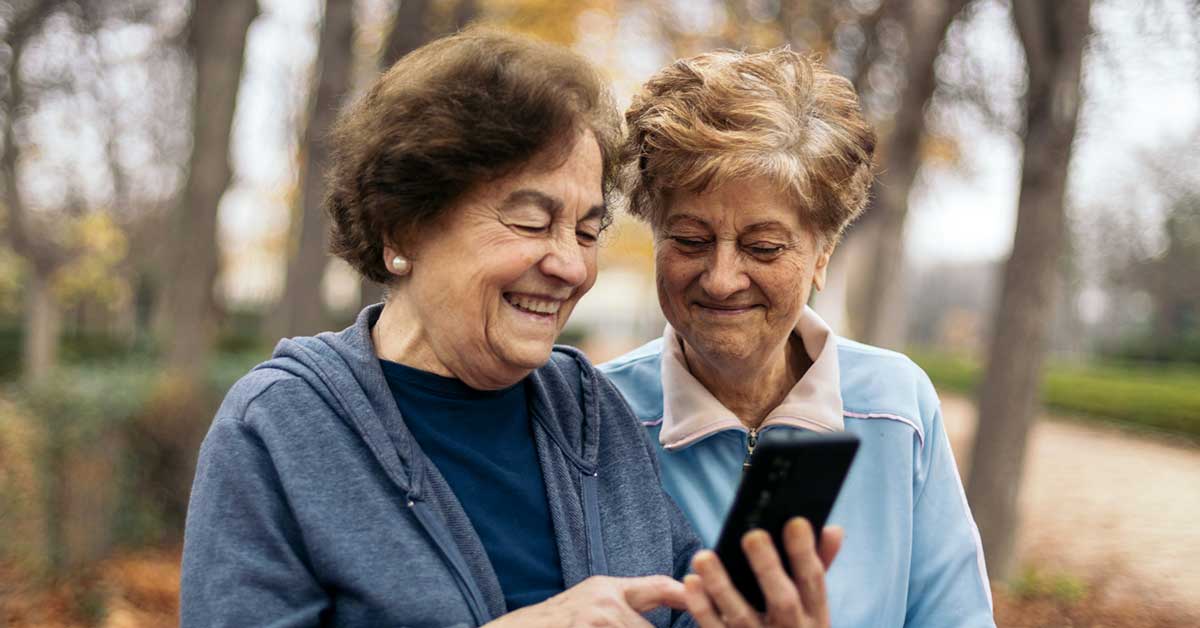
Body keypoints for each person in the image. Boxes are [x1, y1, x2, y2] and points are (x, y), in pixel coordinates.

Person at [182, 30, 841, 628]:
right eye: (531, 221)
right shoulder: (281, 427)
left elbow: (676, 611)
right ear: (402, 228)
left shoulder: (589, 413)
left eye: (587, 231)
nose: (569, 265)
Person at [601, 48, 997, 628]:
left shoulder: (895, 405)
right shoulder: (596, 417)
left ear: (822, 254)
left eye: (763, 247)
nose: (722, 278)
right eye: (689, 240)